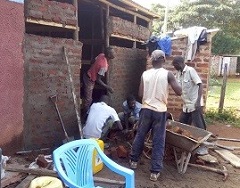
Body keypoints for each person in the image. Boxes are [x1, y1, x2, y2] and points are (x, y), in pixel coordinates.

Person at [129, 50, 182, 181]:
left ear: (152, 60)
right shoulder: (168, 74)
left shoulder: (145, 74)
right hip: (160, 112)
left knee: (140, 135)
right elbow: (179, 91)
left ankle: (133, 161)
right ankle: (154, 171)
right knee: (158, 141)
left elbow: (140, 94)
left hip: (146, 109)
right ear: (163, 59)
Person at [172, 56, 206, 130]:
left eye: (175, 65)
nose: (174, 67)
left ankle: (205, 139)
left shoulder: (190, 71)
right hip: (186, 104)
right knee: (182, 124)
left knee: (199, 126)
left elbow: (200, 85)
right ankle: (183, 139)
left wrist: (198, 102)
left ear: (180, 63)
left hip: (194, 103)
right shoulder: (178, 73)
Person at [83, 47, 115, 114]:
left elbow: (92, 61)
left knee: (88, 97)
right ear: (109, 55)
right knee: (88, 100)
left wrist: (94, 68)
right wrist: (108, 87)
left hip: (87, 74)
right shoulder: (104, 66)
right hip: (89, 79)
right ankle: (85, 116)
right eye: (113, 53)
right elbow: (98, 79)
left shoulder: (101, 55)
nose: (115, 53)